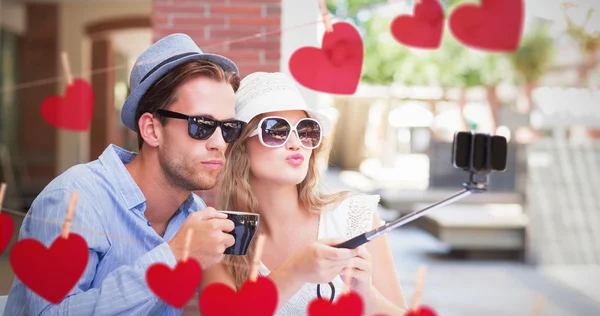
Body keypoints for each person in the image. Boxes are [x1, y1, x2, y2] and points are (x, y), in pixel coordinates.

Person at [4, 33, 246, 315]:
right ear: (152, 130)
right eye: (202, 125)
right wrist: (175, 254)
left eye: (228, 128)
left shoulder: (194, 215)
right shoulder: (75, 200)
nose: (219, 142)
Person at [200, 72, 409, 315]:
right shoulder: (222, 237)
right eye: (276, 130)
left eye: (306, 130)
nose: (295, 142)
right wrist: (296, 270)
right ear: (241, 146)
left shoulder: (353, 216)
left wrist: (370, 299)